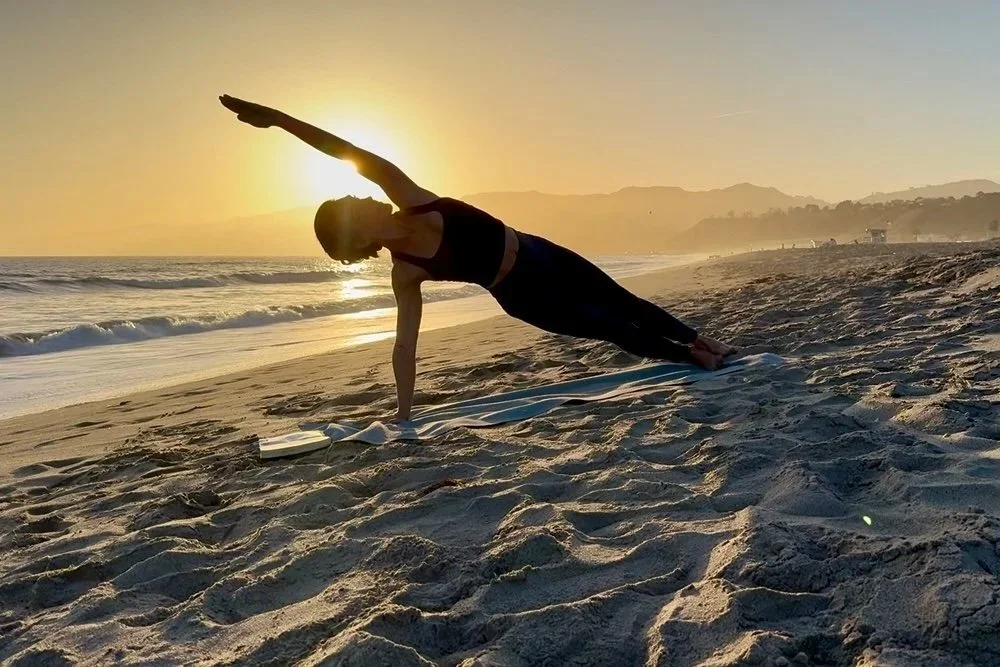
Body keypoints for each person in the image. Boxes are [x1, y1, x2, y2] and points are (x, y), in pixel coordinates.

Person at [219, 95, 737, 420]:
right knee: (611, 328)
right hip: (521, 293)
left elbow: (343, 147)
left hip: (538, 250)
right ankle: (693, 358)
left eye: (354, 194)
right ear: (356, 238)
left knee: (623, 300)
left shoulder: (408, 194)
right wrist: (403, 412)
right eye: (352, 205)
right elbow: (405, 346)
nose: (361, 196)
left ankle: (700, 339)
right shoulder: (406, 273)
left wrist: (281, 121)